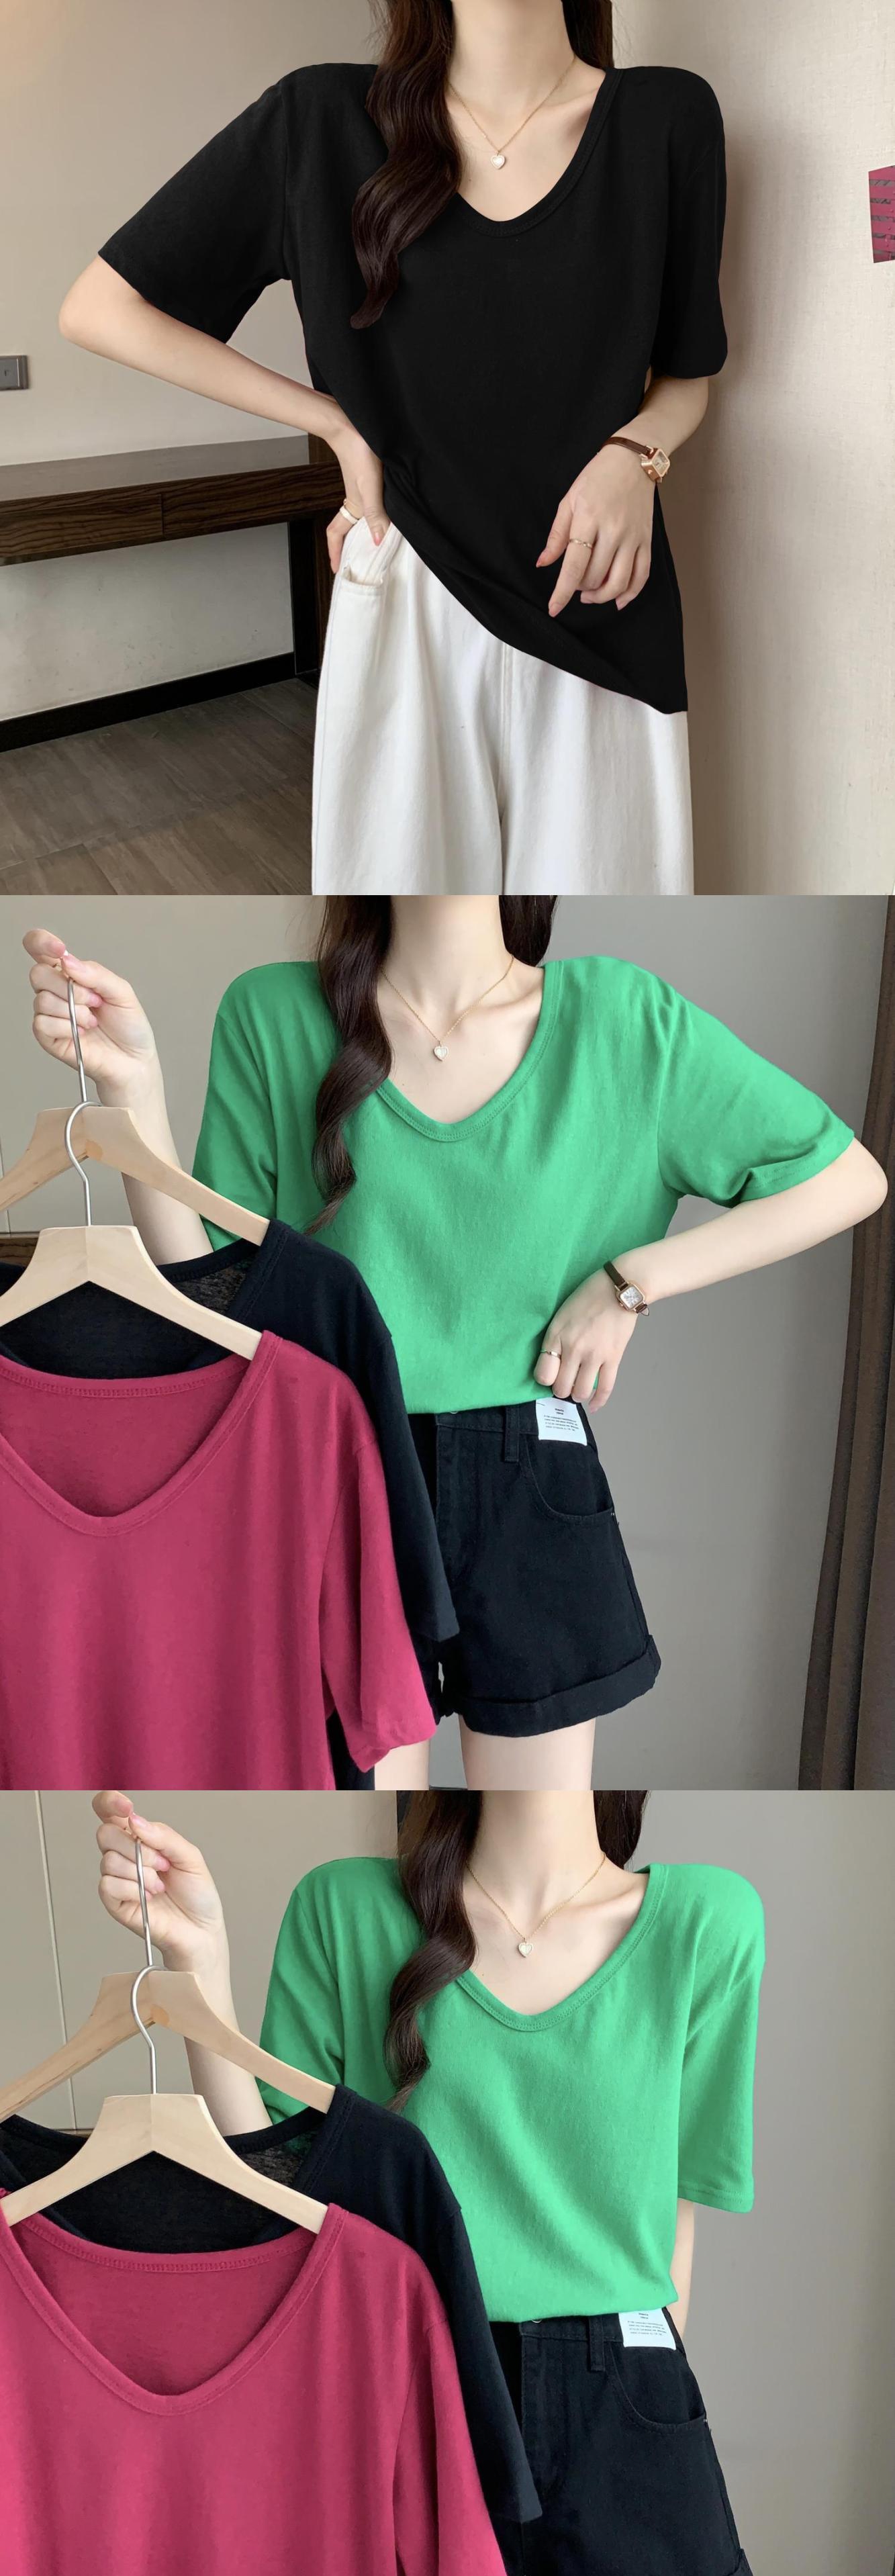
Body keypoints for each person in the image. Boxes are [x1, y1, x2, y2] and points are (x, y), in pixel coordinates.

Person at [23, 901, 887, 1791]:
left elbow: (845, 1179)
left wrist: (631, 1281)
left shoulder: (622, 1019)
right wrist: (135, 1095)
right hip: (332, 1463)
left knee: (530, 1815)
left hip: (530, 1475)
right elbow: (210, 1290)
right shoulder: (274, 1012)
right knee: (367, 1807)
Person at [91, 1782, 767, 2576]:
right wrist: (199, 1966)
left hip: (624, 2393)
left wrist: (649, 2394)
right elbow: (276, 2183)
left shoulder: (707, 1920)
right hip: (419, 2380)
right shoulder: (345, 1906)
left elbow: (678, 2210)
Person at [58, 1, 728, 896]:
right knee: (402, 921)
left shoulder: (666, 118)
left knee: (602, 924)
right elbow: (101, 309)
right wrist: (336, 425)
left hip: (599, 590)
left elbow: (688, 374)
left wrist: (634, 455)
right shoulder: (319, 120)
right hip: (408, 578)